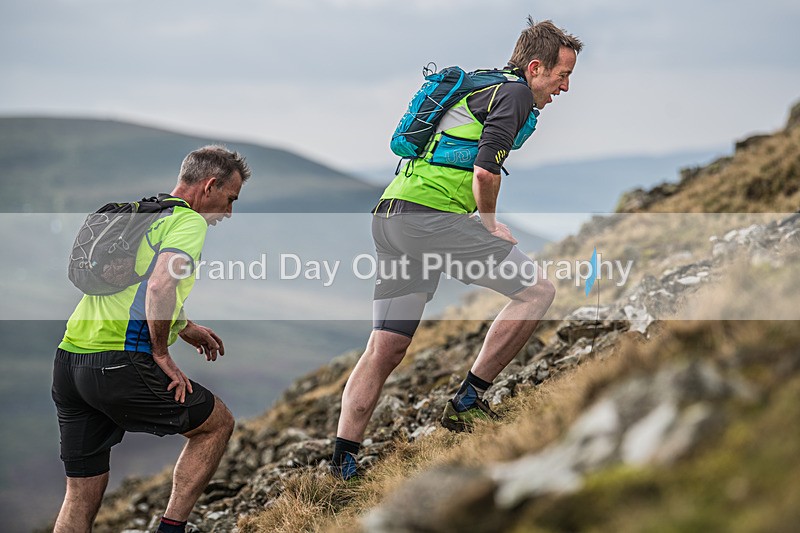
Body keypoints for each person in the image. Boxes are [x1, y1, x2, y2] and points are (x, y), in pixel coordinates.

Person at [330, 18, 582, 479]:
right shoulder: (516, 95)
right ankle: (468, 399)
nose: (565, 87)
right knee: (537, 292)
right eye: (562, 75)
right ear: (535, 67)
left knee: (383, 348)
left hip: (390, 216)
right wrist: (489, 224)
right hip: (429, 219)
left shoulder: (482, 83)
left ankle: (342, 463)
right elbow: (486, 171)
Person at [51, 146, 250, 532]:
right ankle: (171, 528)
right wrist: (161, 351)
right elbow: (160, 285)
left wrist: (182, 326)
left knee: (80, 492)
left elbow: (137, 286)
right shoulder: (187, 222)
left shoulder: (147, 214)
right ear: (210, 186)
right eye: (230, 200)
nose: (228, 213)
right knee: (216, 424)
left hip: (70, 362)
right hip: (120, 360)